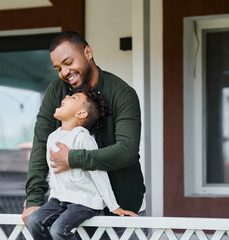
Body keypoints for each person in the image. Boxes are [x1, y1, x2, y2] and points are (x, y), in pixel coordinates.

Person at [23, 31, 146, 238]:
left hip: (122, 210)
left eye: (68, 62)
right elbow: (41, 144)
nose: (64, 72)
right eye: (58, 68)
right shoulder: (56, 92)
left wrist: (72, 158)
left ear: (88, 52)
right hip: (70, 211)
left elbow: (127, 151)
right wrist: (34, 198)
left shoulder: (123, 93)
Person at [27, 88, 137, 239]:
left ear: (81, 114)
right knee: (34, 221)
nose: (66, 96)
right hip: (59, 199)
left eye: (74, 98)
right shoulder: (53, 136)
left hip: (84, 201)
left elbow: (98, 173)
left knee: (58, 230)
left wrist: (114, 206)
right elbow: (53, 173)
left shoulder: (82, 138)